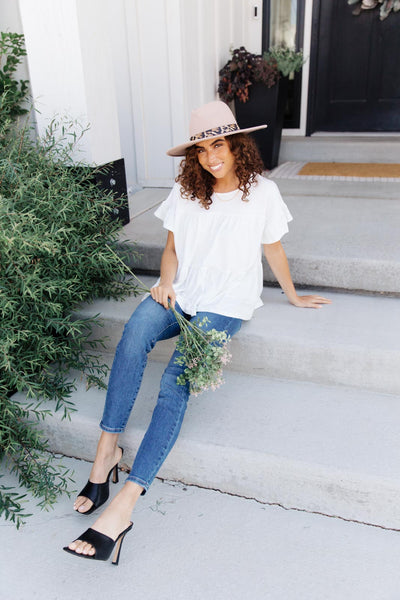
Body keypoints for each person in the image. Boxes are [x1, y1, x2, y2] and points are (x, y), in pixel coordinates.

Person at [63, 101, 331, 564]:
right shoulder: (187, 189)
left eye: (219, 145)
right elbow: (171, 249)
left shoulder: (262, 192)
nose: (211, 157)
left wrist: (291, 294)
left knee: (174, 382)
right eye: (202, 149)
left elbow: (274, 249)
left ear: (237, 145)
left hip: (225, 304)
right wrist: (165, 281)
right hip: (182, 293)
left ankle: (126, 503)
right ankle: (105, 451)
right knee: (134, 334)